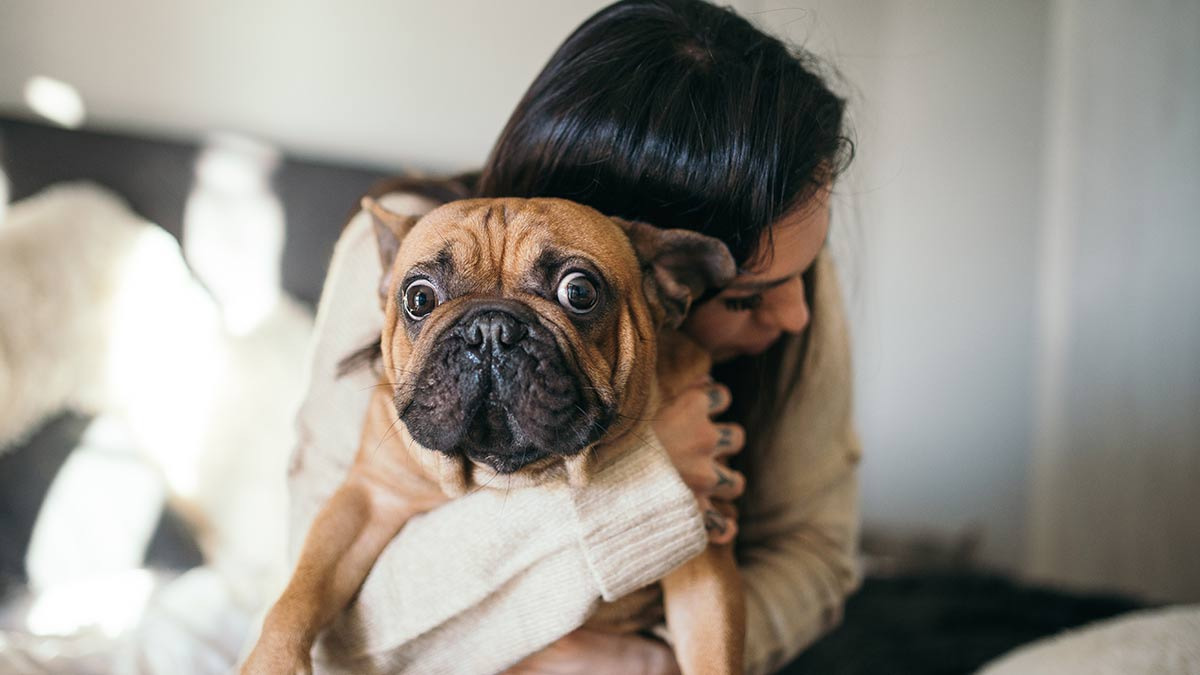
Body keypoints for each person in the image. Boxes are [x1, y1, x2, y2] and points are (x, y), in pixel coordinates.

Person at [282, 1, 860, 673]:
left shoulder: (782, 260)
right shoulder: (409, 244)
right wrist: (640, 480)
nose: (797, 317)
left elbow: (817, 553)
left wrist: (644, 664)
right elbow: (319, 623)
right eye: (742, 296)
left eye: (576, 295)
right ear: (664, 274)